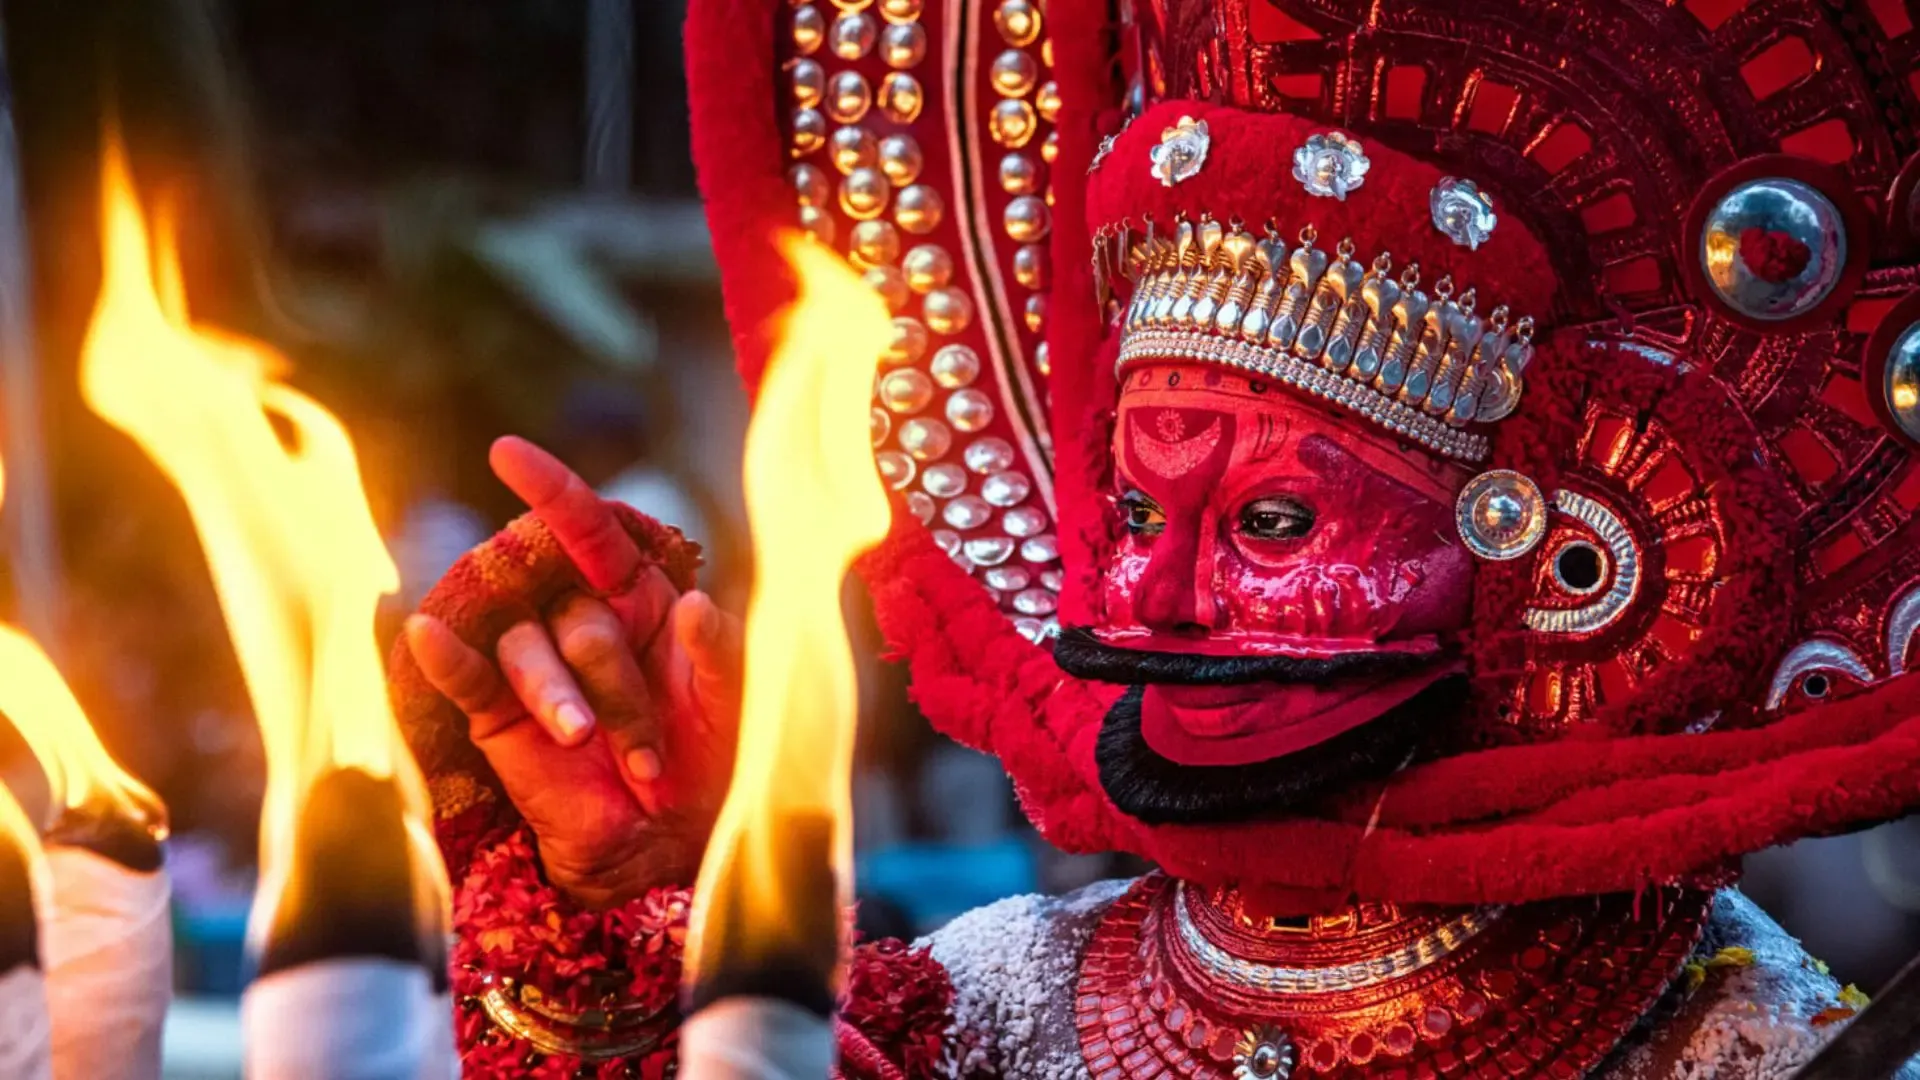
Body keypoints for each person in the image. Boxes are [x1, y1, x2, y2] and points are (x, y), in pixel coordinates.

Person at [391, 1, 1920, 1076]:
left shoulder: (1745, 1043)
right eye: (1132, 514)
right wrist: (657, 885)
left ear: (1534, 552)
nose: (1166, 603)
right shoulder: (1001, 999)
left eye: (1269, 520)